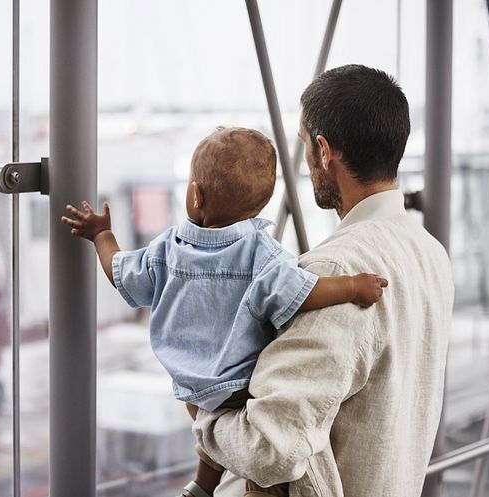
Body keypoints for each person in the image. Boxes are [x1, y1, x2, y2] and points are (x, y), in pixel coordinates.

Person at [61, 126, 389, 497]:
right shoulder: (261, 256)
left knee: (211, 425)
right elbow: (305, 291)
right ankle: (252, 489)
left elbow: (122, 275)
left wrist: (102, 236)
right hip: (239, 386)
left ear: (196, 195)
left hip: (188, 388)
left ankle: (202, 485)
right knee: (262, 446)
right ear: (260, 205)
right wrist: (352, 286)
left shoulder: (168, 248)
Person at [190, 65, 454, 497]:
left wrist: (206, 417)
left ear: (324, 150)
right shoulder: (430, 253)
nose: (306, 161)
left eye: (303, 146)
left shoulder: (337, 269)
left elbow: (269, 447)